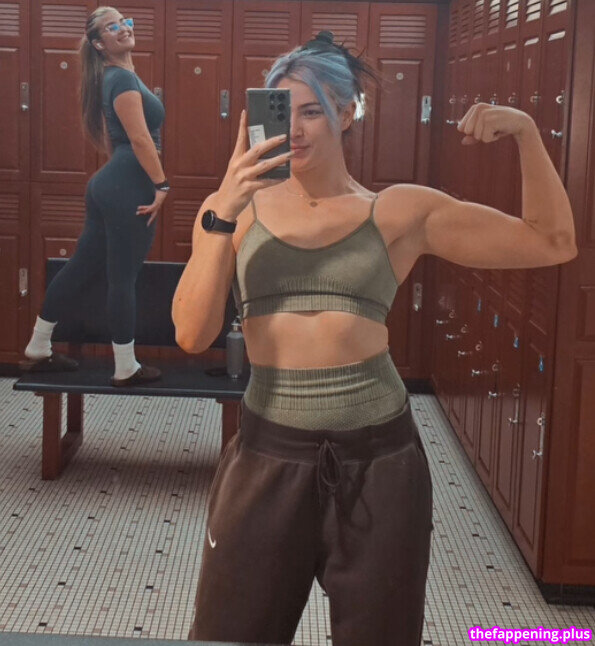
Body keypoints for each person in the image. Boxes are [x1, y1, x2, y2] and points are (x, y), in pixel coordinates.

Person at [173, 32, 577, 646]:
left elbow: (552, 242)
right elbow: (191, 334)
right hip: (266, 456)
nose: (296, 130)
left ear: (345, 113)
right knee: (229, 634)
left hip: (379, 463)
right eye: (282, 112)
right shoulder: (233, 212)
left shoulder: (397, 212)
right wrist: (223, 211)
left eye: (313, 111)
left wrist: (526, 132)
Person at [20, 6, 168, 387]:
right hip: (128, 186)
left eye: (125, 22)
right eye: (112, 27)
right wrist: (162, 185)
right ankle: (125, 367)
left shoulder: (117, 76)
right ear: (100, 44)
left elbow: (122, 139)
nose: (123, 28)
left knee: (81, 267)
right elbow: (140, 139)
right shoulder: (121, 79)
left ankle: (38, 345)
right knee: (122, 277)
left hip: (111, 184)